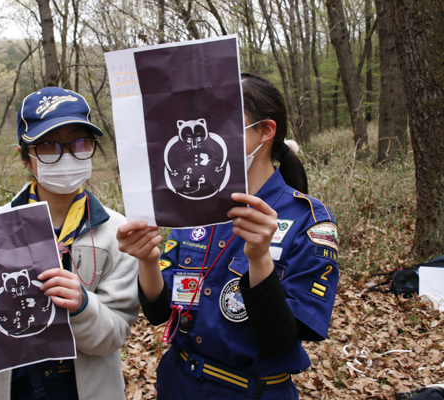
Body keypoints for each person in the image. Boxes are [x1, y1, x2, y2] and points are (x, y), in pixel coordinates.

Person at [117, 73, 339, 399]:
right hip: (178, 381)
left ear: (266, 131)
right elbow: (159, 312)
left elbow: (280, 340)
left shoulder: (308, 219)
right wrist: (148, 260)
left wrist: (260, 258)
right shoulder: (195, 207)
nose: (211, 130)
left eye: (225, 119)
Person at [0, 87, 140, 399]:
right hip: (10, 387)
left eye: (79, 143)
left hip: (85, 388)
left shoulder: (118, 233)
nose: (66, 155)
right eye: (47, 146)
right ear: (25, 156)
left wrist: (83, 306)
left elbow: (112, 337)